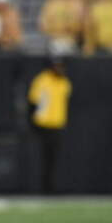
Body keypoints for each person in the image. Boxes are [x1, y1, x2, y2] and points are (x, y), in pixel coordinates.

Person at [27, 60, 72, 194]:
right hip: (42, 125)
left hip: (57, 125)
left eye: (62, 67)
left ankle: (52, 188)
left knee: (54, 159)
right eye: (58, 67)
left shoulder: (65, 83)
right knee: (41, 158)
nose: (60, 70)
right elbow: (33, 102)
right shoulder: (42, 80)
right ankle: (40, 188)